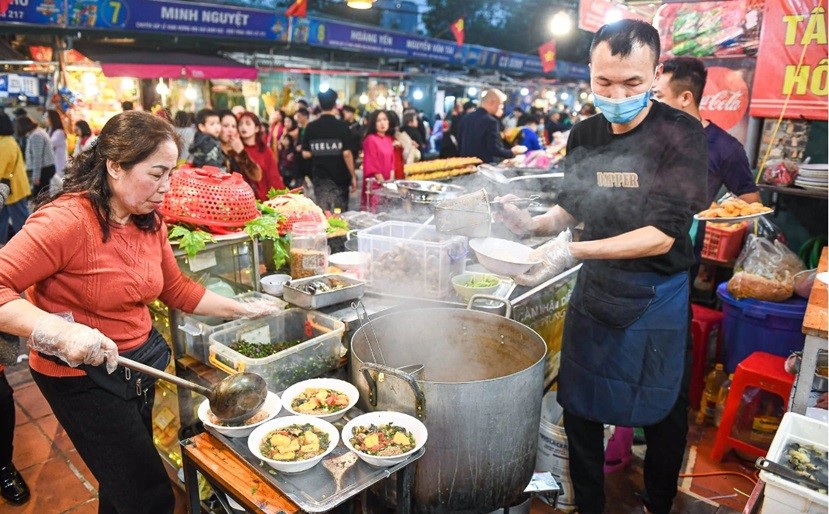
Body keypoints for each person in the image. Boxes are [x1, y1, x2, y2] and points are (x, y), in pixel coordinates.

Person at [0, 111, 281, 514]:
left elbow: (175, 288)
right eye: (157, 174)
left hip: (137, 367)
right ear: (115, 166)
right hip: (82, 379)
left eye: (171, 174)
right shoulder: (67, 220)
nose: (166, 187)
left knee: (121, 486)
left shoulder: (149, 219)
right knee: (148, 496)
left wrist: (242, 308)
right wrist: (55, 330)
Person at [496, 20, 708, 514]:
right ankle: (589, 504)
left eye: (633, 83)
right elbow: (572, 209)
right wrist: (531, 225)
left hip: (658, 295)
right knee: (580, 406)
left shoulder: (680, 133)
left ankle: (658, 502)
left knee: (663, 411)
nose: (617, 94)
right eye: (604, 82)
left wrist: (574, 252)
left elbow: (663, 234)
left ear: (656, 75)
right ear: (589, 73)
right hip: (597, 289)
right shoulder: (585, 133)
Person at [652, 57, 761, 205]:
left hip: (686, 227)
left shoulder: (725, 148)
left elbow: (751, 201)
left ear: (685, 98)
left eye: (658, 96)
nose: (651, 103)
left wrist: (720, 215)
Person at [301, 90, 357, 211]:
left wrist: (319, 152)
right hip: (340, 178)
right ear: (335, 105)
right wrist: (353, 176)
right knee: (340, 214)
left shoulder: (311, 127)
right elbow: (347, 154)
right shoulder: (342, 126)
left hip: (320, 178)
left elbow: (305, 153)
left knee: (323, 213)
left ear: (320, 105)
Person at [457, 89, 524, 163]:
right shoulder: (491, 121)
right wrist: (511, 152)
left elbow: (459, 143)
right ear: (492, 102)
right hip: (483, 166)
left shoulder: (466, 118)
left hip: (465, 164)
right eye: (500, 104)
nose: (500, 107)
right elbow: (494, 149)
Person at [237, 111, 284, 200]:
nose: (243, 127)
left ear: (257, 128)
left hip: (264, 198)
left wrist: (278, 198)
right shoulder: (235, 149)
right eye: (240, 124)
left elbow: (273, 177)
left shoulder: (265, 150)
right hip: (242, 199)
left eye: (248, 124)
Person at [0, 112, 31, 245]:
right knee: (2, 219)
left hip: (13, 189)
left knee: (21, 220)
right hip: (11, 187)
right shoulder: (7, 140)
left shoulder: (5, 144)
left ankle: (30, 246)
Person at [217, 110, 262, 192]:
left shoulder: (236, 150)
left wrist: (241, 152)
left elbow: (256, 176)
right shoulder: (213, 149)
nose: (230, 130)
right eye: (226, 126)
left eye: (233, 126)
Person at [361, 110, 396, 211]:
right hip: (375, 185)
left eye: (385, 119)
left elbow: (392, 162)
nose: (382, 123)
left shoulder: (389, 139)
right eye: (378, 120)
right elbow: (372, 164)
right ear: (373, 123)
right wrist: (384, 184)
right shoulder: (370, 139)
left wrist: (390, 183)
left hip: (387, 184)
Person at [16, 115, 56, 199]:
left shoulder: (36, 135)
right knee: (43, 196)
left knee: (40, 197)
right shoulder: (38, 131)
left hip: (43, 170)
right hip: (46, 168)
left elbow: (37, 157)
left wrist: (36, 176)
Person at [277, 115, 301, 189]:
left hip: (294, 162)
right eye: (285, 121)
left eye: (288, 121)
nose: (286, 123)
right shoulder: (285, 131)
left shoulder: (296, 131)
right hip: (284, 166)